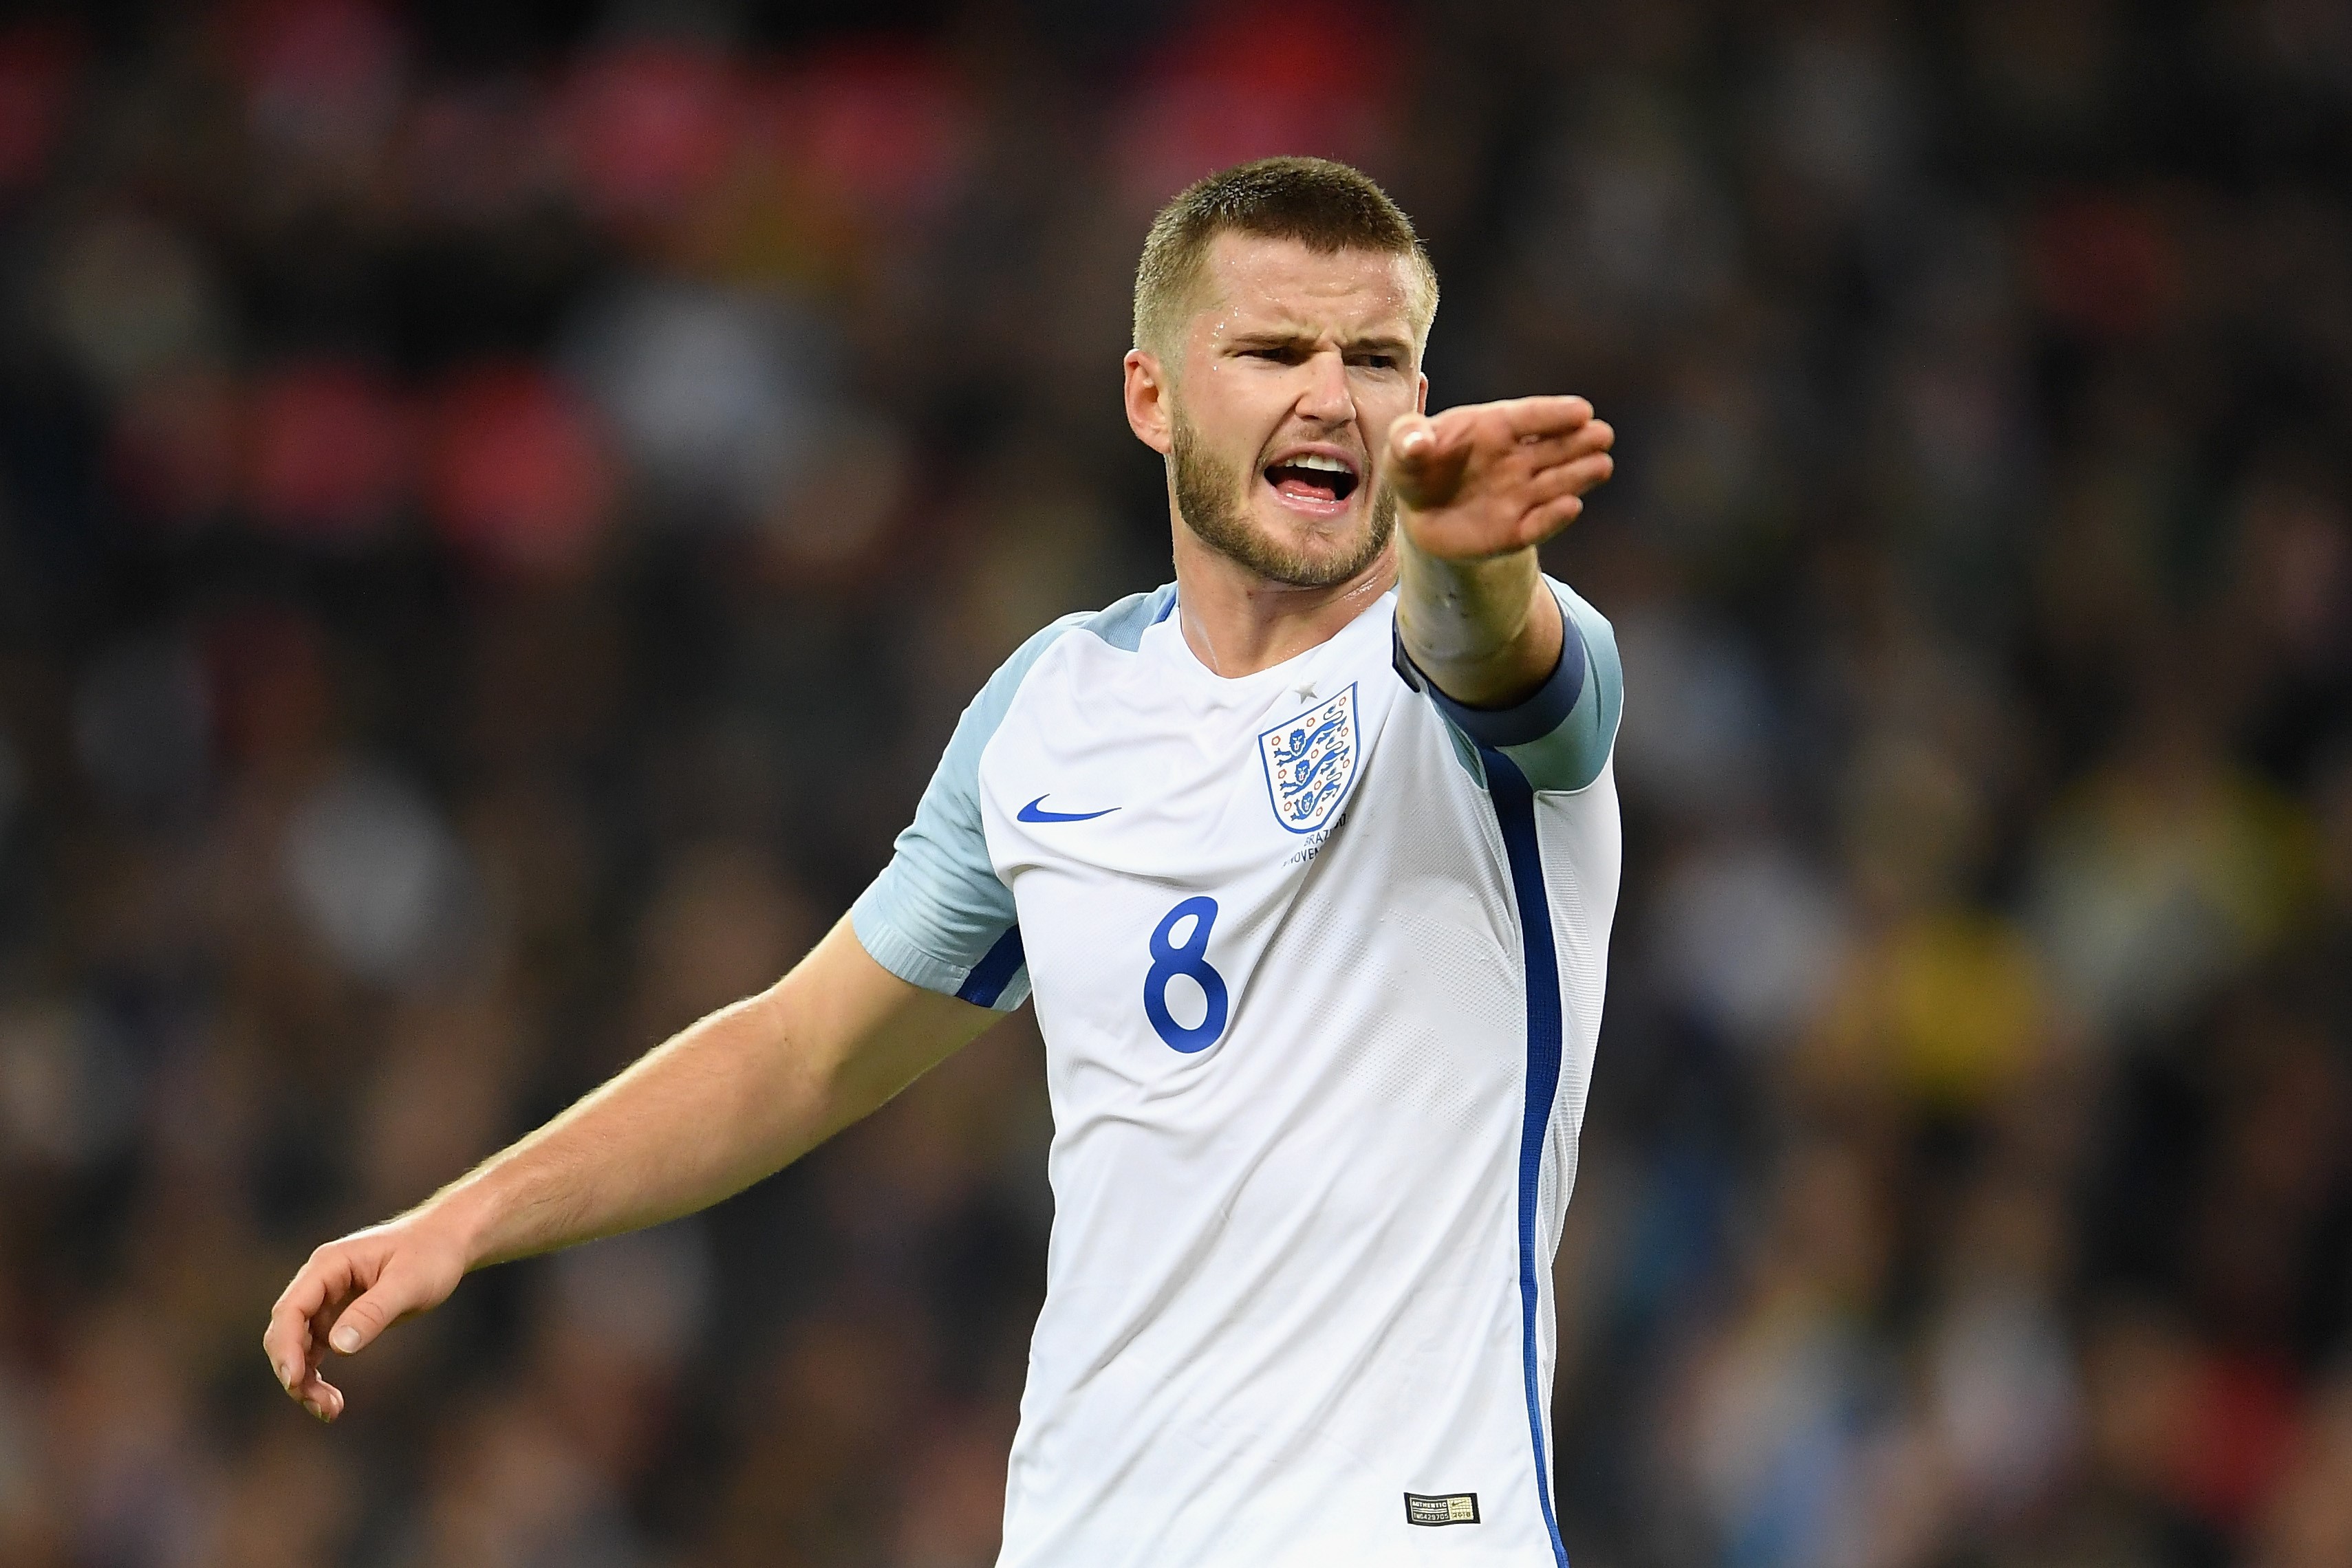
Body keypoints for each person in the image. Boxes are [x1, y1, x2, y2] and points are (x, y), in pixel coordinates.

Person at [265, 155, 1621, 1567]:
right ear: (1150, 396)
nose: (1333, 395)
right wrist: (465, 1217)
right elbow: (804, 1052)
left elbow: (1502, 660)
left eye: (1379, 358)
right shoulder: (1054, 709)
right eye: (1276, 348)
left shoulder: (1476, 672)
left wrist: (1474, 564)